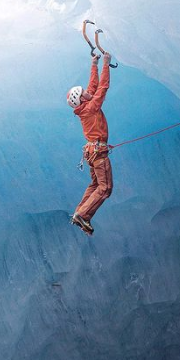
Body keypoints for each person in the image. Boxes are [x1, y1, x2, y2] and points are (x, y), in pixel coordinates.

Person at [67, 52, 113, 235]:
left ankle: (80, 212)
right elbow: (103, 87)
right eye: (83, 93)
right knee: (105, 188)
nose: (87, 91)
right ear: (82, 98)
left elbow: (93, 86)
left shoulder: (85, 106)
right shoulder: (92, 107)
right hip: (98, 154)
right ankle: (83, 215)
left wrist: (94, 63)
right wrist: (106, 64)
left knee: (95, 185)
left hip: (92, 153)